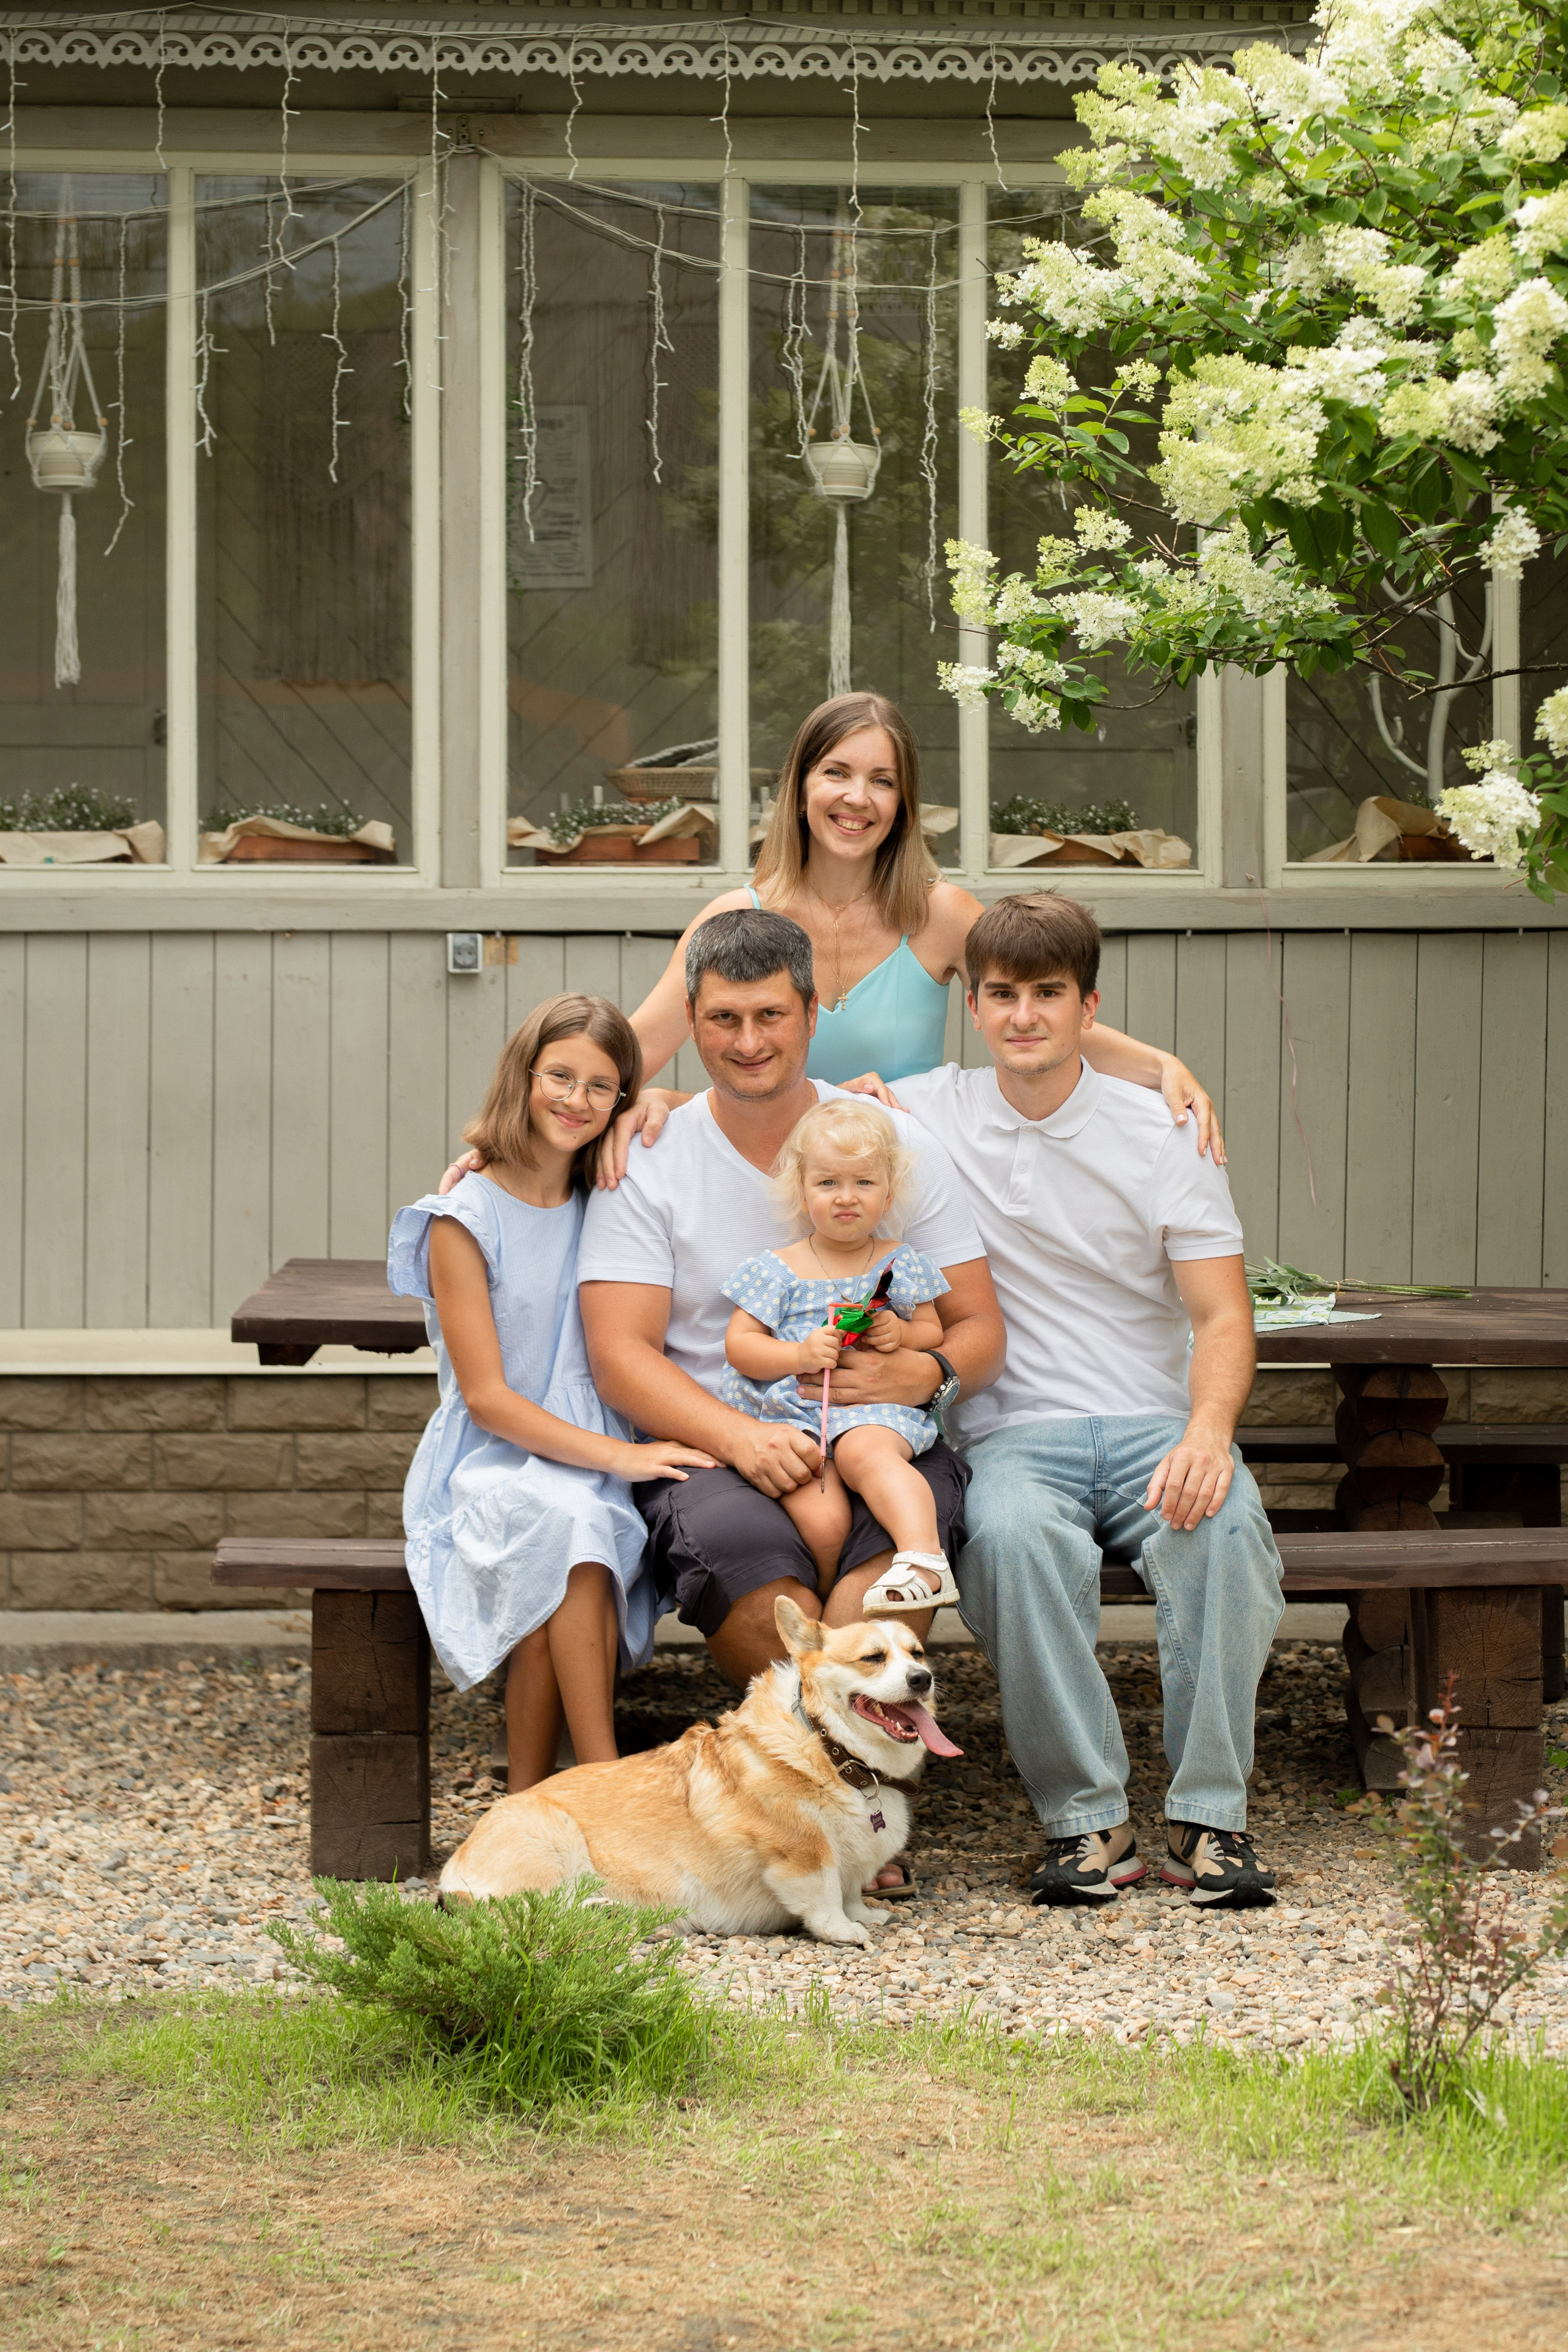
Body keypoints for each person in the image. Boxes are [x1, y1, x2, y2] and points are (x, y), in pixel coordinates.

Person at [859, 891, 1284, 1910]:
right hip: (1017, 1434)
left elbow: (1223, 1317)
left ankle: (1210, 1816)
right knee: (1005, 1541)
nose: (1023, 1017)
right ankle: (1088, 1822)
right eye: (1001, 995)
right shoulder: (921, 1112)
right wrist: (627, 1113)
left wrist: (1208, 1432)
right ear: (973, 1005)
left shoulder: (1162, 1129)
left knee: (1223, 1532)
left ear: (1089, 1006)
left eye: (1048, 994)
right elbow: (767, 1101)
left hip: (1153, 1425)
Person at [574, 907, 1006, 1700]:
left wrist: (928, 1376)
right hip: (713, 1437)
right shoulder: (650, 1157)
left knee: (889, 1570)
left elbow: (980, 1329)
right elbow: (619, 1353)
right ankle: (826, 1767)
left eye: (771, 1014)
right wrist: (741, 1439)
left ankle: (836, 1770)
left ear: (811, 1015)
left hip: (883, 1433)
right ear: (694, 1024)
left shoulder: (889, 1144)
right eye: (723, 1019)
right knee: (767, 1588)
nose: (748, 1042)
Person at [614, 690, 1225, 1126]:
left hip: (898, 1195)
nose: (858, 798)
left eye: (882, 780)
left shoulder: (943, 914)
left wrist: (1160, 1066)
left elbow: (1035, 1014)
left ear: (904, 801)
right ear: (799, 787)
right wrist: (658, 1104)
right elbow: (629, 1058)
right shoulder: (731, 920)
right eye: (836, 772)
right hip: (762, 1180)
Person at [388, 994, 713, 1793]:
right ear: (523, 1076)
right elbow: (490, 1399)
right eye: (559, 1076)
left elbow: (684, 1111)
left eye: (601, 1087)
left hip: (593, 1452)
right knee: (570, 1531)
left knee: (561, 1578)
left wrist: (657, 1102)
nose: (576, 1100)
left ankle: (527, 1805)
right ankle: (605, 1787)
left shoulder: (605, 1192)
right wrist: (622, 1457)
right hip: (496, 1458)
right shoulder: (461, 1218)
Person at [722, 1095, 956, 1610]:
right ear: (803, 1192)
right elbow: (740, 1347)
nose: (846, 1197)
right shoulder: (778, 1268)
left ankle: (926, 1558)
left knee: (864, 1454)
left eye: (864, 1183)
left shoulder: (898, 1262)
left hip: (871, 1412)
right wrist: (798, 1355)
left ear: (889, 1191)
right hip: (797, 1418)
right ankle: (827, 1603)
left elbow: (933, 1331)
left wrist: (899, 1333)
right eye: (828, 1183)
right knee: (825, 1523)